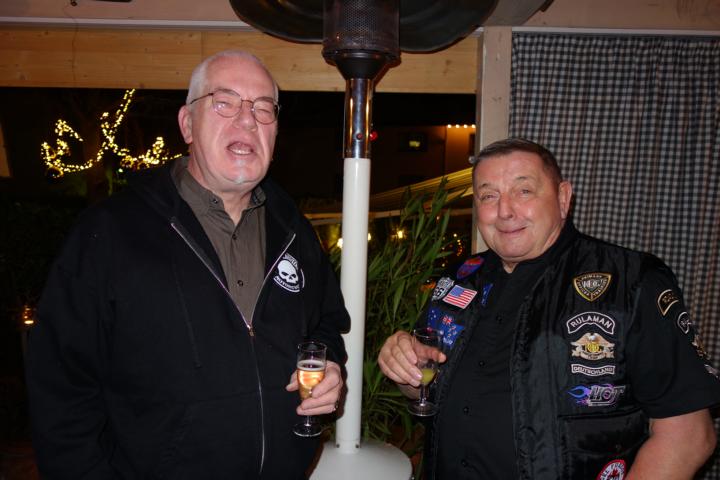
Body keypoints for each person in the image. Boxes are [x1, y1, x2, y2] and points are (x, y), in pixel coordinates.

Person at [25, 50, 350, 479]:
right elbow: (60, 390)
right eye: (224, 102)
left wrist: (329, 368)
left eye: (263, 108)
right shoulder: (111, 232)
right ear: (187, 124)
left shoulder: (295, 231)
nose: (247, 120)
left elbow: (326, 325)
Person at [378, 138, 720, 479]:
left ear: (563, 198)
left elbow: (689, 436)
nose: (505, 211)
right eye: (488, 196)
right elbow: (425, 387)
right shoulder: (459, 279)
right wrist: (407, 369)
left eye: (523, 191)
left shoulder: (632, 281)